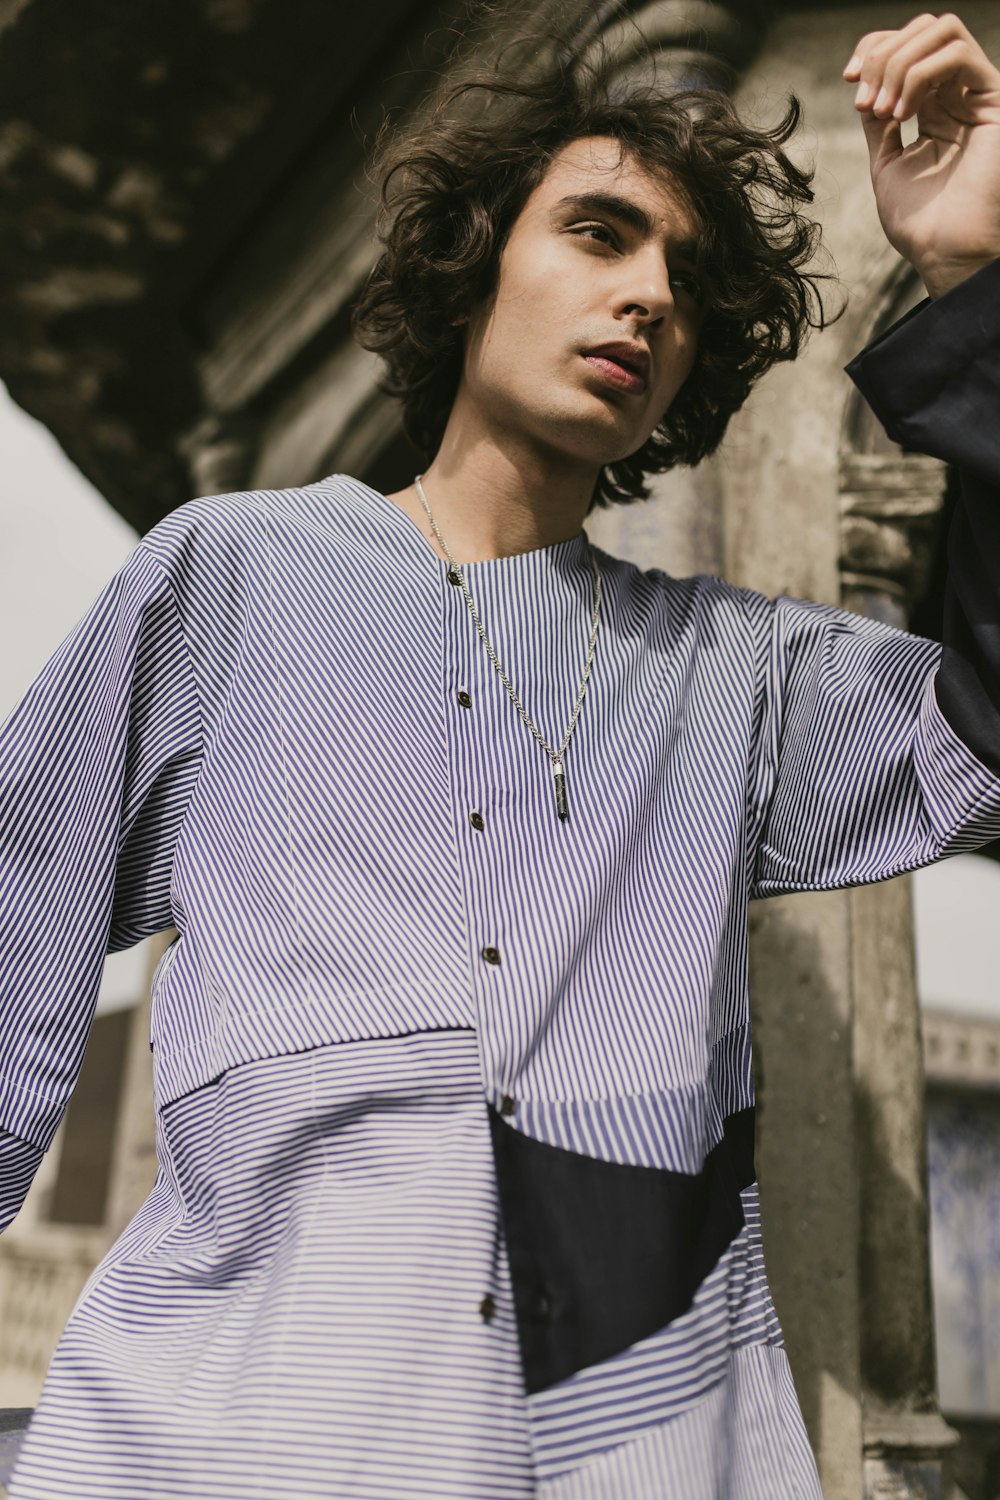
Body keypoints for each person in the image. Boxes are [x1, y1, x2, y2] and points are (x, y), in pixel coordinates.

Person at [2, 11, 1000, 1498]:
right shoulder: (232, 577)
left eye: (684, 278)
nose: (649, 296)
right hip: (228, 1438)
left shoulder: (741, 676)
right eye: (598, 234)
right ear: (477, 268)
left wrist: (967, 274)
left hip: (629, 1445)